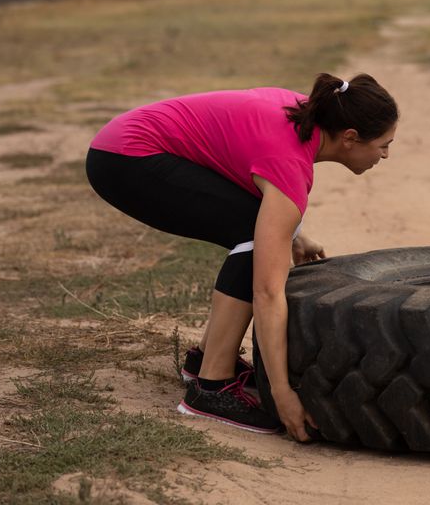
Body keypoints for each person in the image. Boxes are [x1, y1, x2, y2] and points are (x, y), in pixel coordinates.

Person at [86, 73, 398, 440]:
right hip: (126, 158)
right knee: (255, 239)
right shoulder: (289, 161)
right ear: (349, 137)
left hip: (124, 143)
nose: (386, 155)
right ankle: (211, 388)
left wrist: (294, 235)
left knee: (259, 232)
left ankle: (204, 360)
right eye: (383, 145)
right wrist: (282, 394)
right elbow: (267, 292)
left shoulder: (313, 114)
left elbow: (250, 168)